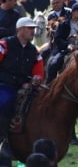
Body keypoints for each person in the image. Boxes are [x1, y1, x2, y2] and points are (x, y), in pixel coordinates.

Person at [0, 17, 45, 160]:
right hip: (4, 84)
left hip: (26, 86)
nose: (33, 31)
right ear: (20, 30)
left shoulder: (34, 51)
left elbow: (38, 70)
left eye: (33, 28)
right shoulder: (4, 45)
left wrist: (37, 78)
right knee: (5, 102)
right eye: (30, 28)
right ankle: (3, 140)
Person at [46, 3, 78, 84]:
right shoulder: (64, 24)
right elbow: (58, 38)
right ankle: (49, 84)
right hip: (66, 48)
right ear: (73, 12)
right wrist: (67, 45)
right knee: (54, 63)